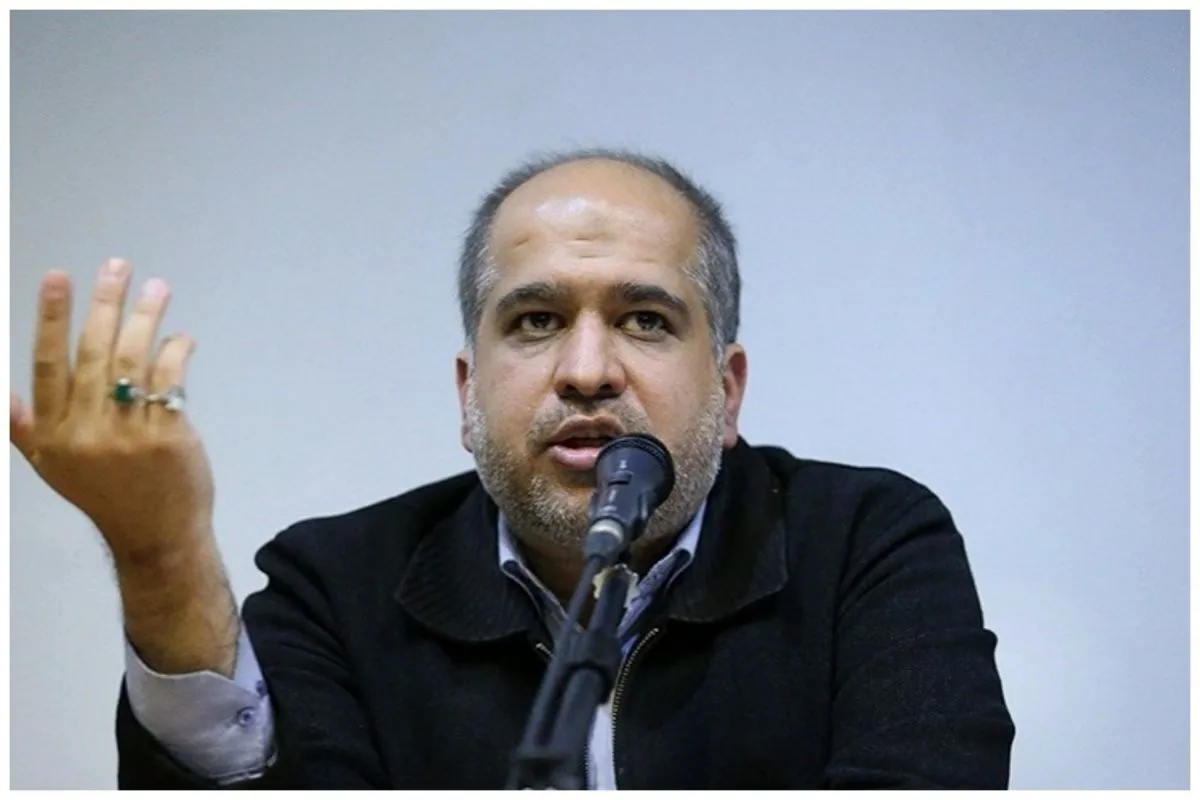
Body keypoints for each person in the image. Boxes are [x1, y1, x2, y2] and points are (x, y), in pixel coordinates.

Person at [10, 149, 1015, 789]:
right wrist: (160, 553)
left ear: (729, 387)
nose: (586, 370)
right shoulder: (335, 581)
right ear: (467, 390)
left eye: (645, 319)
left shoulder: (866, 541)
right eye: (535, 321)